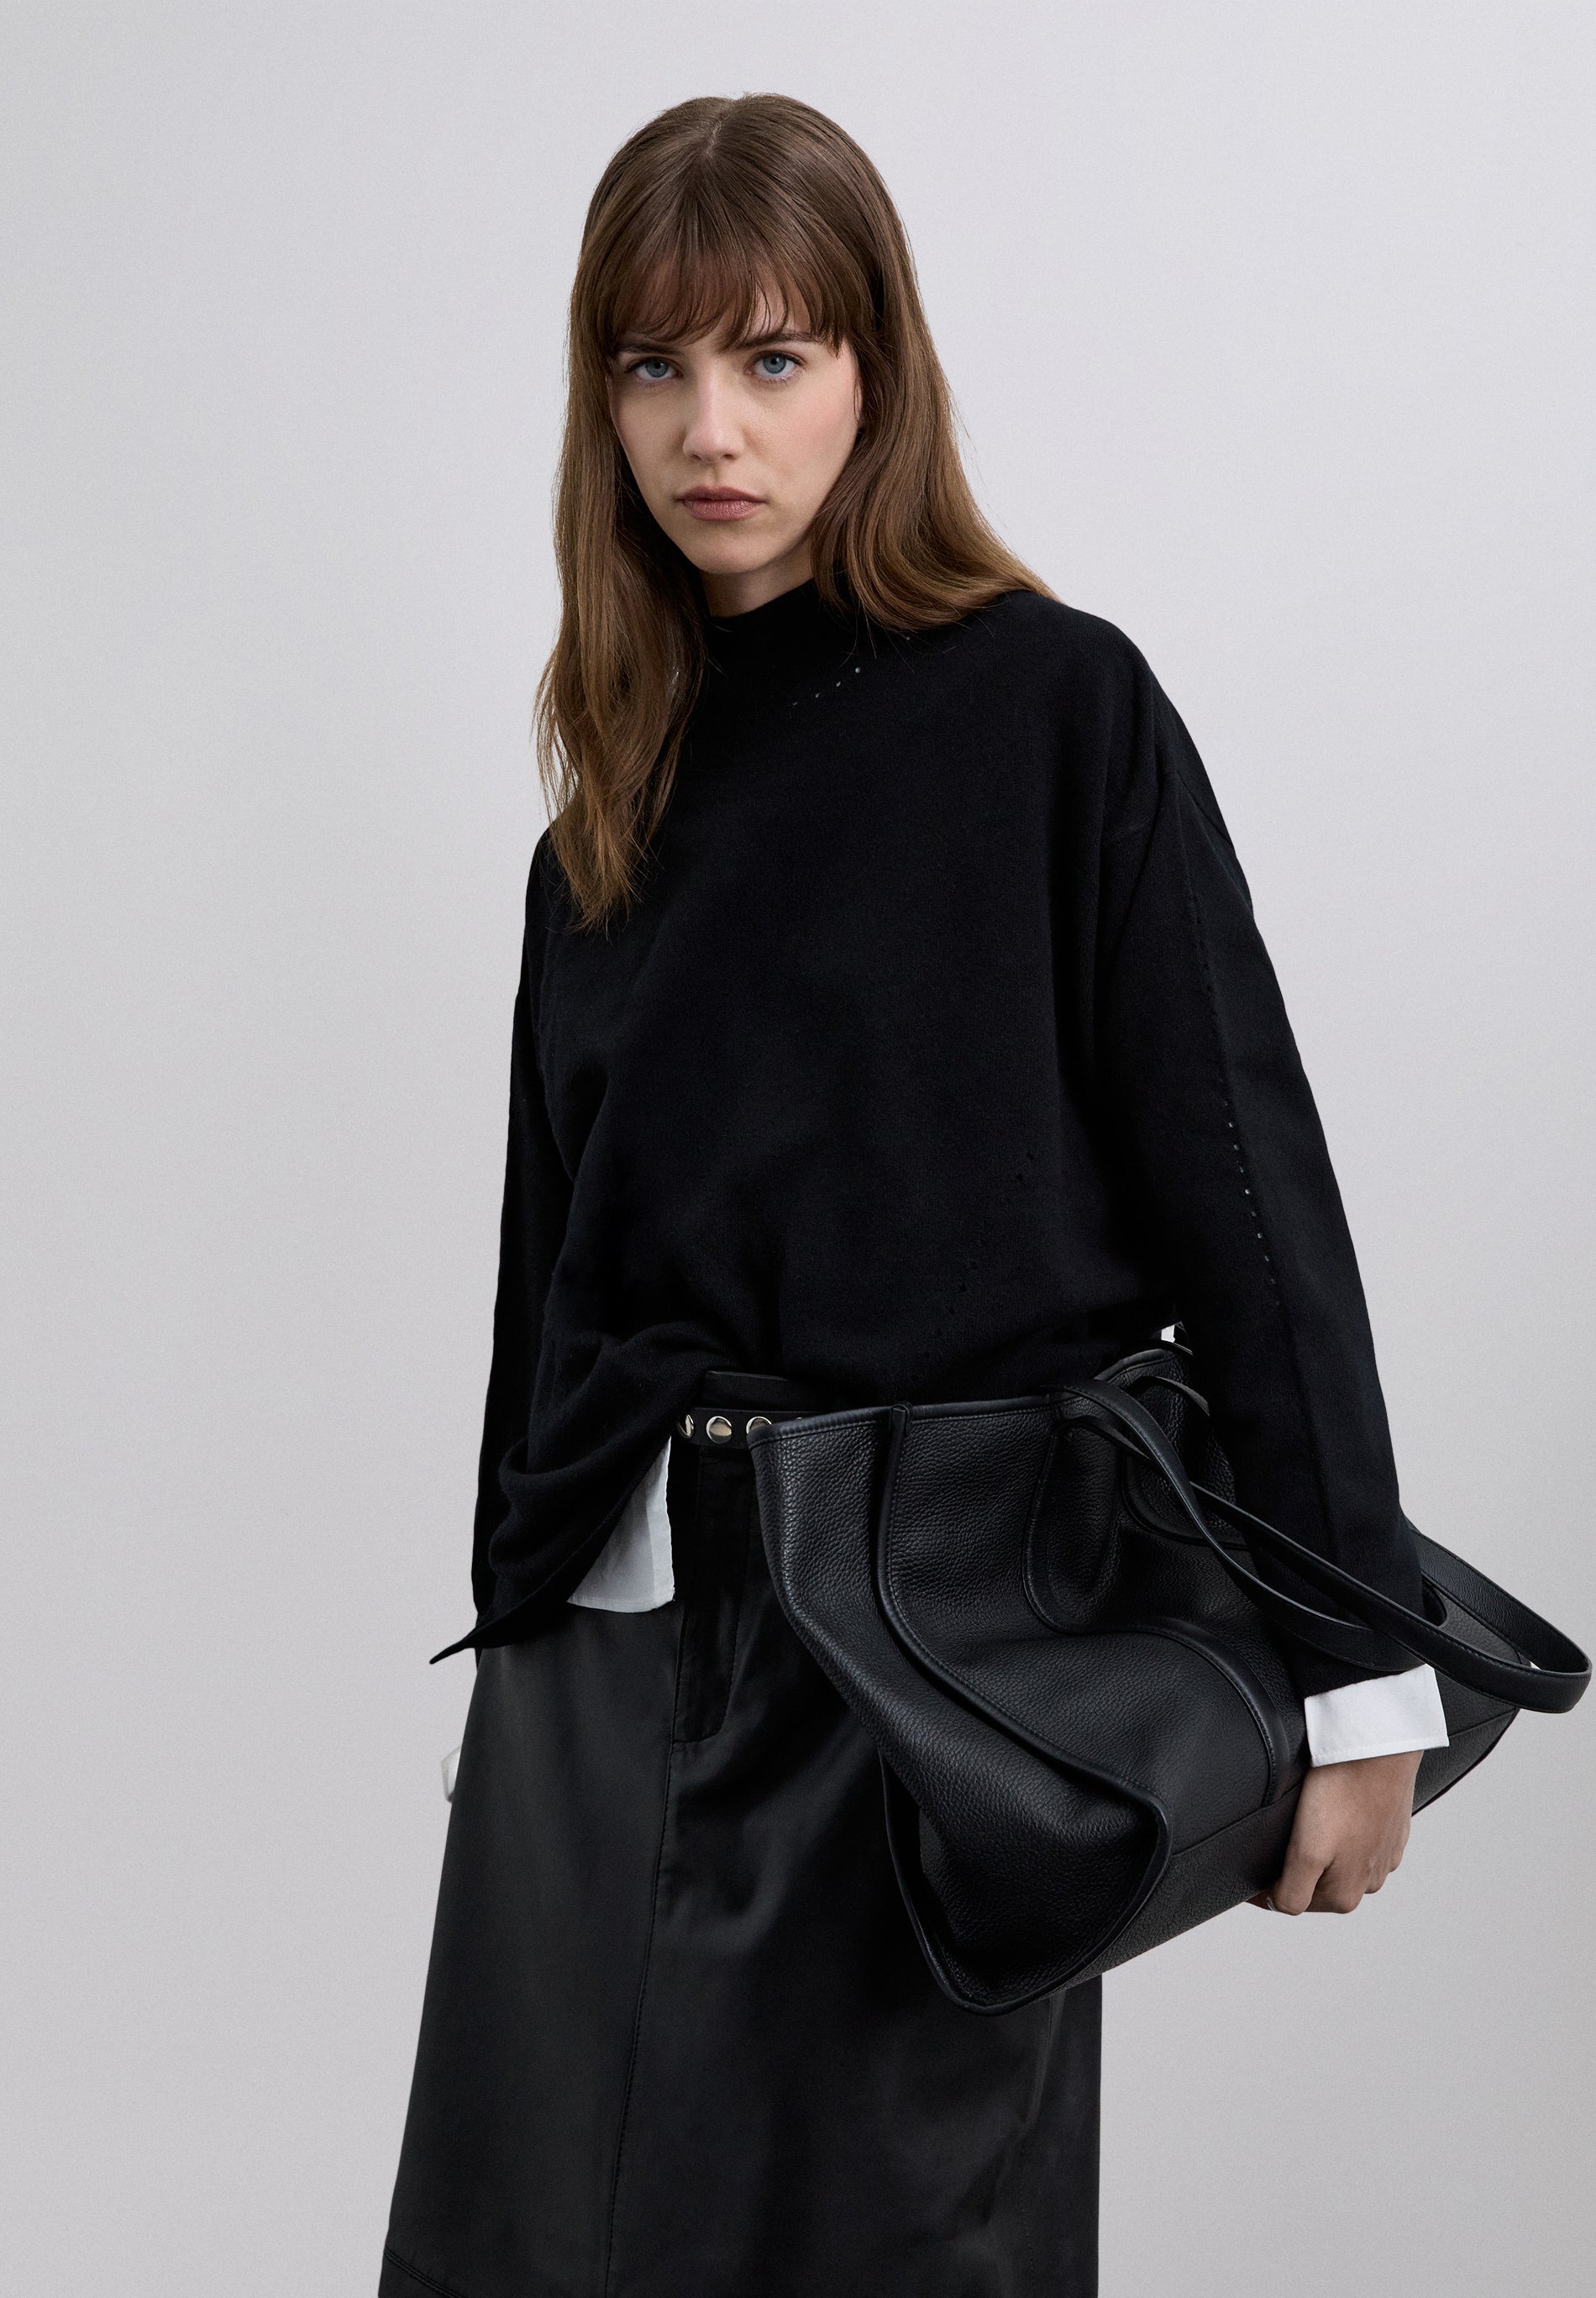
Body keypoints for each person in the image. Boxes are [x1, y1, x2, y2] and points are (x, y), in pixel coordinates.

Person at [378, 92, 1449, 2298]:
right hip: (605, 1668)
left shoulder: (1053, 713)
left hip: (919, 1665)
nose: (710, 429)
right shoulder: (605, 813)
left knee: (883, 2251)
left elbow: (1246, 1191)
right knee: (534, 2248)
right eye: (654, 365)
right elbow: (546, 1288)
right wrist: (517, 1652)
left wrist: (1358, 1682)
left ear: (875, 372)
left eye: (772, 357)